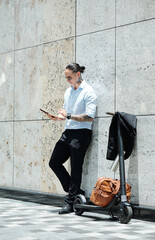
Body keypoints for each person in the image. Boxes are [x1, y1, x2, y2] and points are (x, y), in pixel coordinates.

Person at [49, 63, 97, 214]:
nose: (67, 80)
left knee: (76, 168)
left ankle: (70, 201)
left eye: (69, 77)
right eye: (66, 77)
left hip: (82, 133)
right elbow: (67, 114)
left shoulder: (89, 92)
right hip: (68, 132)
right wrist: (58, 117)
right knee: (54, 162)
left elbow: (89, 117)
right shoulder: (68, 92)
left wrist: (68, 116)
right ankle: (76, 192)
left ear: (78, 74)